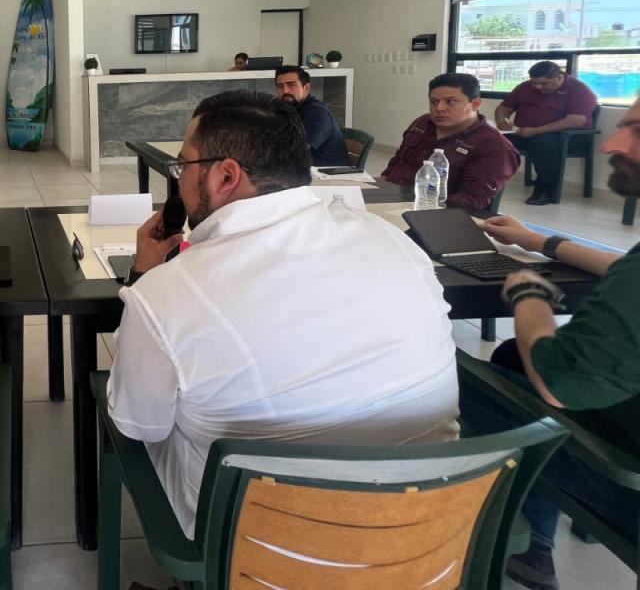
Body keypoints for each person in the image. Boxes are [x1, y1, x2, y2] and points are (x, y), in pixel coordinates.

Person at [107, 90, 458, 538]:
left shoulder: (165, 294)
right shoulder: (391, 240)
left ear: (225, 175)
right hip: (431, 526)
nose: (180, 180)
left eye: (184, 165)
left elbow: (139, 423)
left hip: (265, 543)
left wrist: (144, 277)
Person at [458, 94, 640, 590]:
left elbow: (557, 386)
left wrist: (530, 293)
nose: (611, 145)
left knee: (461, 375)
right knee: (509, 356)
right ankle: (536, 534)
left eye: (636, 132)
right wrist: (540, 242)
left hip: (623, 478)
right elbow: (627, 268)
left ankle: (516, 540)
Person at [382, 72, 519, 210]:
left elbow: (471, 200)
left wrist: (414, 208)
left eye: (450, 102)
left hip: (435, 212)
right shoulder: (423, 123)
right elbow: (397, 162)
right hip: (389, 198)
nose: (439, 108)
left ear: (476, 104)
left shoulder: (493, 146)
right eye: (434, 102)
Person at [496, 61, 598, 205]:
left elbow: (576, 120)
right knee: (491, 139)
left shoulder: (579, 90)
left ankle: (544, 192)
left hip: (568, 137)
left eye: (544, 83)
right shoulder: (525, 87)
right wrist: (502, 121)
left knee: (544, 142)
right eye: (535, 83)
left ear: (559, 77)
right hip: (525, 133)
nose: (538, 87)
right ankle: (486, 181)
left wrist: (535, 131)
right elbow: (504, 108)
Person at [273, 65, 350, 167]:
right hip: (302, 169)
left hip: (326, 172)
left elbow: (297, 152)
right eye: (280, 86)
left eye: (291, 85)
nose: (285, 91)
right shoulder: (290, 109)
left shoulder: (317, 112)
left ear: (307, 88)